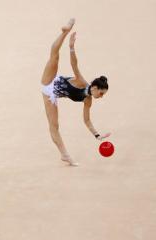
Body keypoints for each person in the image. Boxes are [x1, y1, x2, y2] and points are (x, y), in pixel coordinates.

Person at [41, 19, 110, 166]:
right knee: (55, 56)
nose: (101, 96)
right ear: (95, 88)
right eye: (101, 93)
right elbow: (74, 64)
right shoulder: (82, 82)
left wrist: (97, 135)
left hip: (50, 96)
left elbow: (86, 120)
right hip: (50, 81)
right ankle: (65, 32)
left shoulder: (88, 100)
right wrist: (71, 48)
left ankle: (65, 155)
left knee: (54, 127)